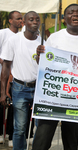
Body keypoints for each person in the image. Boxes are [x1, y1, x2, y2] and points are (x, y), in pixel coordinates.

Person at [32, 4, 78, 150]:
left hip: (75, 101)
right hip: (52, 100)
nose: (75, 15)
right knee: (41, 141)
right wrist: (39, 55)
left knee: (71, 142)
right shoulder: (54, 38)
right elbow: (43, 65)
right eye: (71, 12)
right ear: (64, 18)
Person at [0, 11, 41, 150]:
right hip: (19, 88)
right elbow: (5, 68)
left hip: (39, 89)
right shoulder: (14, 40)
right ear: (24, 22)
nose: (35, 22)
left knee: (39, 127)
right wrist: (3, 92)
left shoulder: (43, 42)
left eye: (37, 19)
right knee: (20, 128)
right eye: (31, 19)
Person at [0, 10, 22, 147]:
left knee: (14, 106)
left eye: (22, 19)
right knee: (1, 103)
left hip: (17, 77)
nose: (21, 21)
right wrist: (6, 62)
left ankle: (10, 134)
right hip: (3, 74)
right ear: (10, 20)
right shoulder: (2, 33)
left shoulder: (23, 36)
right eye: (18, 18)